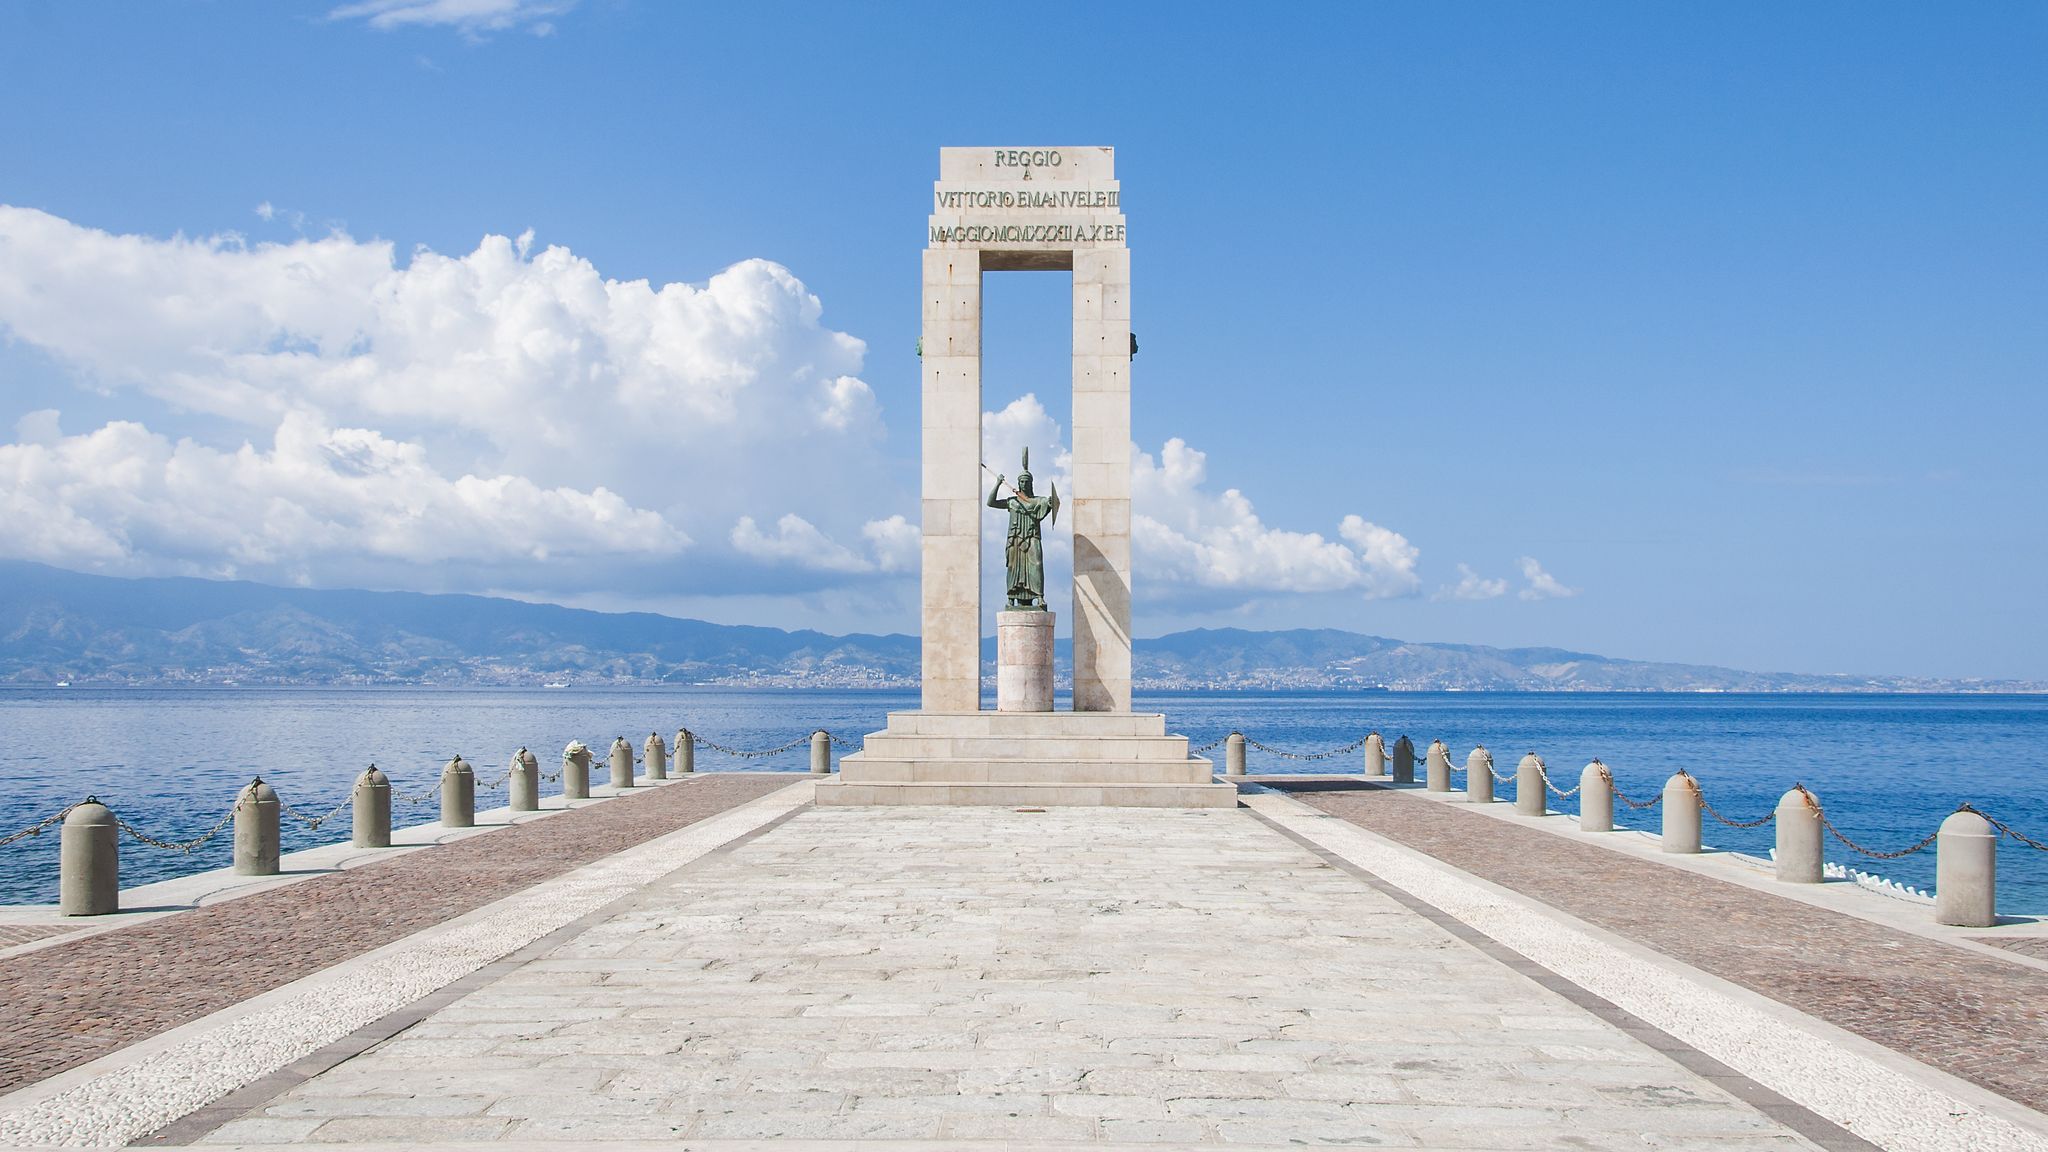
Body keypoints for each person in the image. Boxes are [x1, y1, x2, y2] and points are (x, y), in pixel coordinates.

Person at [988, 448, 1059, 610]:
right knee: (1013, 566)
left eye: (1026, 481)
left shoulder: (1038, 501)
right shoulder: (1013, 502)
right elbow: (991, 502)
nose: (1024, 484)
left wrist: (1049, 502)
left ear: (1031, 483)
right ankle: (1011, 597)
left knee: (1037, 564)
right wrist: (998, 483)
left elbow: (1051, 504)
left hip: (1032, 536)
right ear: (1018, 483)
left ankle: (1039, 597)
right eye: (1021, 481)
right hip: (1015, 539)